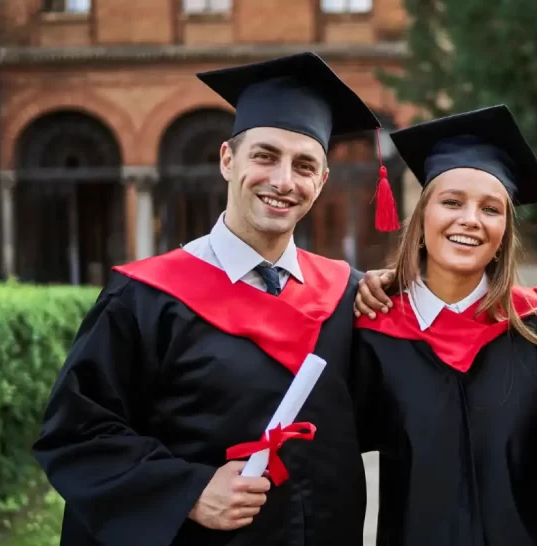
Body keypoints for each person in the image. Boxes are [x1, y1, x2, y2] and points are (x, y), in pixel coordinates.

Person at [32, 52, 386, 546]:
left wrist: (409, 294)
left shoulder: (346, 294)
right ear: (227, 159)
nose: (283, 181)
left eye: (304, 165)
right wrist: (190, 491)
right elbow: (78, 434)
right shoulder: (145, 298)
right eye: (265, 156)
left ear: (321, 181)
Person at [353, 104, 537, 546]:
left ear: (503, 234)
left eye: (491, 209)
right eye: (451, 202)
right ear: (421, 221)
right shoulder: (371, 332)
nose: (470, 219)